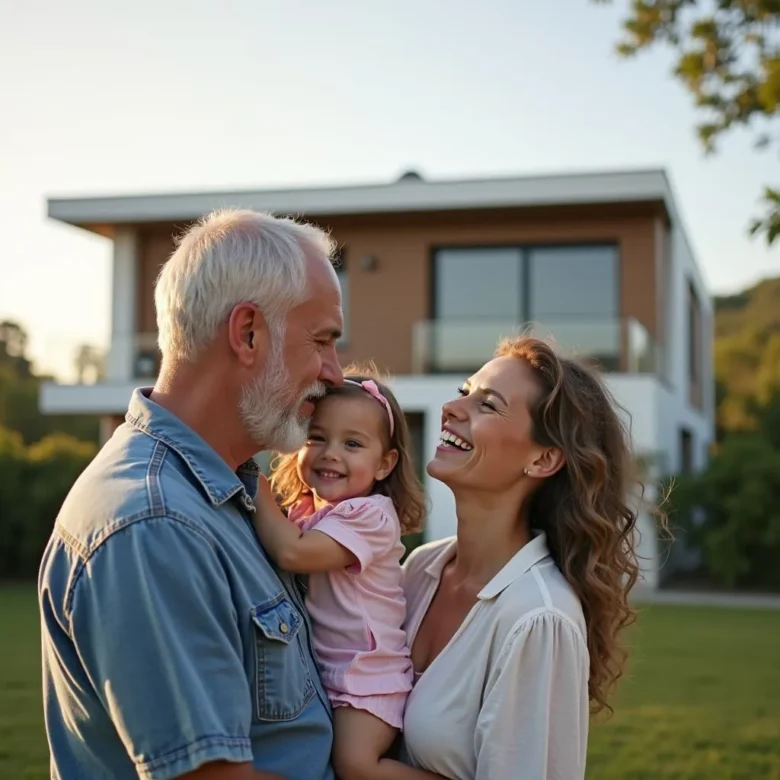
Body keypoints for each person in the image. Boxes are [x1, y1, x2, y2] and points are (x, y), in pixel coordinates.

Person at [38, 209, 345, 780]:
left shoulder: (223, 494)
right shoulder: (155, 524)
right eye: (323, 341)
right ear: (248, 332)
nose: (336, 371)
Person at [400, 336, 659, 780]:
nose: (452, 408)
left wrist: (362, 769)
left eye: (488, 405)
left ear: (543, 459)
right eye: (465, 392)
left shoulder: (539, 617)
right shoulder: (420, 569)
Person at [253, 369, 442, 780]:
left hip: (368, 677)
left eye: (352, 444)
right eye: (316, 437)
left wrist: (255, 488)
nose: (330, 453)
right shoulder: (308, 511)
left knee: (356, 766)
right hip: (328, 670)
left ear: (384, 463)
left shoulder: (370, 515)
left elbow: (291, 552)